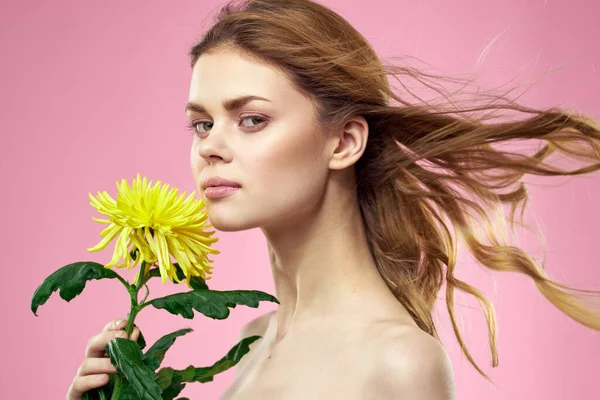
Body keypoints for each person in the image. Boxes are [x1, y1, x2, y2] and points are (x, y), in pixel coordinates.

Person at [67, 0, 600, 399]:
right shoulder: (254, 338)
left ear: (344, 142)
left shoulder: (399, 362)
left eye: (251, 119)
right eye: (201, 123)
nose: (210, 147)